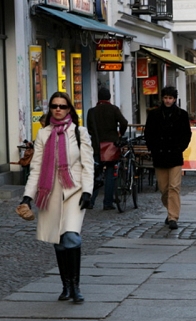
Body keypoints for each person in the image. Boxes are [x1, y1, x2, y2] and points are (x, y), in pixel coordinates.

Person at [18, 91, 94, 303]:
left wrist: (87, 191)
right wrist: (27, 198)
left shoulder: (80, 132)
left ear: (69, 109)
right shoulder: (43, 134)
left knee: (71, 236)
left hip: (74, 191)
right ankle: (66, 286)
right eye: (54, 106)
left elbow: (87, 165)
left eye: (62, 106)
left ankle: (76, 287)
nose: (58, 109)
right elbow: (36, 168)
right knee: (58, 241)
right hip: (49, 193)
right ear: (50, 109)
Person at [144, 86, 192, 230]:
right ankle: (170, 209)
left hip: (175, 155)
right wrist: (153, 148)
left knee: (174, 187)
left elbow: (187, 134)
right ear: (162, 98)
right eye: (165, 98)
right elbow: (148, 134)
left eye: (170, 98)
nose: (168, 100)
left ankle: (173, 217)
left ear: (175, 99)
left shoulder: (182, 115)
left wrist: (180, 147)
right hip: (160, 155)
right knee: (164, 188)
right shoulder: (154, 115)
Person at [87, 87, 128, 210]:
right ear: (109, 97)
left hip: (96, 146)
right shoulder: (113, 109)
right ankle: (107, 202)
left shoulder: (92, 111)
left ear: (98, 97)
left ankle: (90, 201)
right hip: (111, 146)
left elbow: (89, 128)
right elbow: (124, 122)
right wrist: (119, 133)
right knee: (110, 174)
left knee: (95, 174)